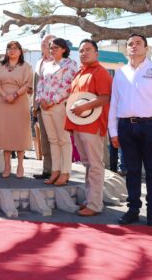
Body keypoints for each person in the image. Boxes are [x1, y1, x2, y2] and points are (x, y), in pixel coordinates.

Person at [109, 34, 152, 227]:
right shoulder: (120, 73)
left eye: (138, 43)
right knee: (132, 171)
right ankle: (133, 210)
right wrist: (113, 131)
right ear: (126, 49)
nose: (133, 46)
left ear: (146, 48)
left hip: (151, 127)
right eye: (130, 44)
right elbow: (114, 103)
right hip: (126, 127)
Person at [65, 39, 113, 216]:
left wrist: (83, 108)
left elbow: (105, 97)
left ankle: (94, 204)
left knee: (94, 165)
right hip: (79, 124)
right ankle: (90, 200)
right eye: (81, 50)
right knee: (87, 164)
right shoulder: (79, 73)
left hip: (93, 125)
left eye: (88, 50)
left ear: (96, 53)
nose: (84, 53)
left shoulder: (101, 72)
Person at [35, 38, 77, 185]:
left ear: (64, 49)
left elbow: (67, 86)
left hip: (59, 106)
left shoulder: (70, 64)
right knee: (52, 140)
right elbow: (40, 84)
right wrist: (41, 99)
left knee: (63, 140)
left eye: (56, 48)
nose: (52, 50)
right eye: (51, 47)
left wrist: (52, 101)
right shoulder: (46, 65)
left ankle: (65, 173)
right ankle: (55, 171)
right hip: (45, 106)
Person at [0, 41, 33, 178]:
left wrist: (15, 94)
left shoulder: (26, 66)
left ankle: (20, 165)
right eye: (9, 48)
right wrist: (5, 95)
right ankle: (7, 166)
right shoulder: (0, 65)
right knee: (5, 133)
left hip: (20, 101)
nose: (12, 51)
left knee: (19, 133)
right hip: (3, 102)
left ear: (20, 51)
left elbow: (28, 84)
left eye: (15, 48)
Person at [32, 34, 55, 179]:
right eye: (43, 42)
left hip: (54, 106)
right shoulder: (39, 62)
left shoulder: (59, 62)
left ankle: (58, 169)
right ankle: (47, 169)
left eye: (48, 42)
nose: (44, 44)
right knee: (45, 140)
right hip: (40, 107)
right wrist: (34, 106)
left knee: (56, 140)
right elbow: (35, 85)